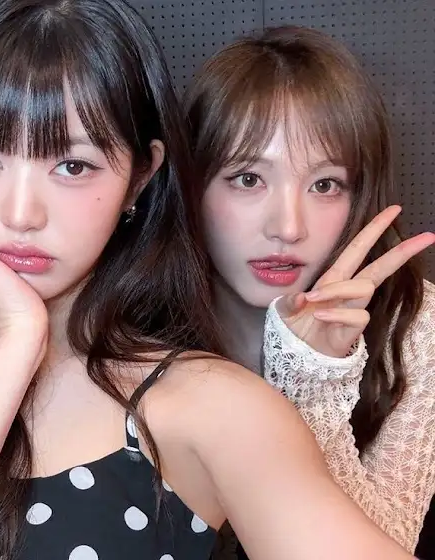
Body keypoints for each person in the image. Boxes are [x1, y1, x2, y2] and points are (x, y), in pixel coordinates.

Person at [0, 4, 420, 559]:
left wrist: (19, 333)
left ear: (139, 180)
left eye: (73, 166)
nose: (21, 214)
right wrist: (15, 347)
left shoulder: (215, 407)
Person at [184, 25, 435, 560]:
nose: (288, 228)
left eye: (324, 185)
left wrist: (312, 381)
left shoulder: (415, 322)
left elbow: (383, 545)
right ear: (191, 184)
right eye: (248, 179)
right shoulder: (134, 320)